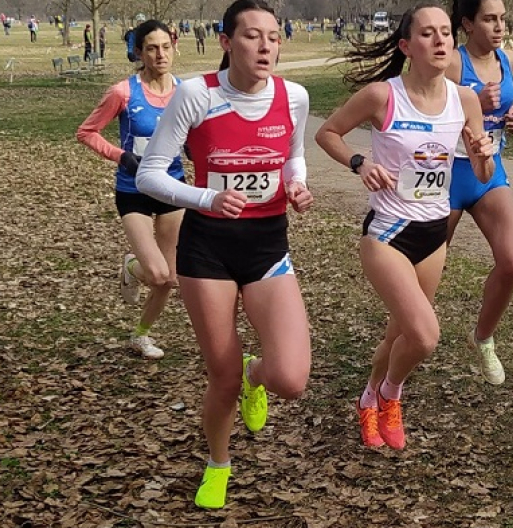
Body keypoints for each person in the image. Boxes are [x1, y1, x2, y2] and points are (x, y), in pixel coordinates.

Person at [136, 0, 313, 509]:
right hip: (207, 248)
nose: (265, 47)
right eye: (253, 36)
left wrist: (296, 185)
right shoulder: (197, 95)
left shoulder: (293, 97)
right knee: (222, 375)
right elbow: (151, 173)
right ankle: (218, 463)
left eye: (274, 37)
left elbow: (294, 155)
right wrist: (206, 197)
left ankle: (259, 376)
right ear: (226, 42)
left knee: (291, 378)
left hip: (267, 245)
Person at [315, 3, 494, 450]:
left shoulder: (464, 99)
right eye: (428, 34)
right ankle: (392, 393)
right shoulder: (382, 96)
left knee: (399, 333)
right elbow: (328, 133)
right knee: (424, 335)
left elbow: (484, 173)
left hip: (435, 236)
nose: (440, 41)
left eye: (445, 34)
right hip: (388, 234)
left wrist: (484, 152)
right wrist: (360, 162)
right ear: (406, 46)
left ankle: (369, 397)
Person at [76, 20, 184, 361]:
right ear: (138, 52)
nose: (160, 54)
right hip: (133, 190)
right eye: (151, 48)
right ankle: (132, 267)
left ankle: (140, 335)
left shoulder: (186, 92)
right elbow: (87, 132)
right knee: (155, 273)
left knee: (170, 279)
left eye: (165, 46)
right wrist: (121, 156)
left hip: (172, 189)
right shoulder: (123, 91)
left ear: (174, 46)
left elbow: (195, 137)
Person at [446, 0, 513, 386]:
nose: (499, 27)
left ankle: (483, 338)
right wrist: (471, 104)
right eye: (489, 19)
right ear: (467, 24)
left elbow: (506, 106)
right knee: (424, 273)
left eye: (502, 19)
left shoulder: (507, 59)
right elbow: (424, 110)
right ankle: (401, 343)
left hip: (488, 172)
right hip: (445, 175)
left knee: (511, 263)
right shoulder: (451, 63)